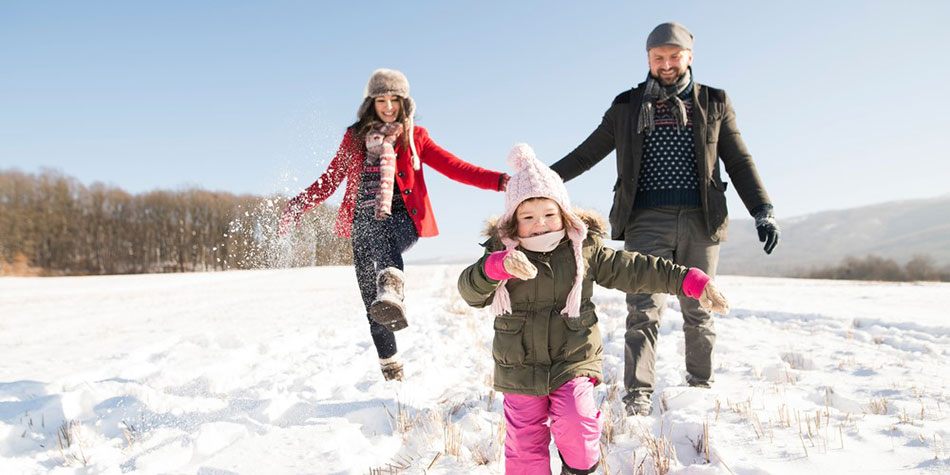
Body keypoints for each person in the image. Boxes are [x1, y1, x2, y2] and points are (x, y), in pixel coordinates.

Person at [549, 22, 781, 416]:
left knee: (700, 305)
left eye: (675, 56)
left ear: (690, 57)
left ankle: (700, 384)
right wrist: (539, 181)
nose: (667, 64)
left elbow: (739, 160)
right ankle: (638, 395)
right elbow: (586, 155)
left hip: (701, 220)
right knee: (643, 307)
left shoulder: (714, 102)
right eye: (659, 58)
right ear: (648, 59)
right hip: (645, 220)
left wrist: (762, 209)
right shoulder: (626, 107)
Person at [458, 144, 729, 474]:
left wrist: (691, 281)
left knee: (577, 421)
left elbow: (636, 268)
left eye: (549, 214)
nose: (540, 224)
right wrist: (495, 267)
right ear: (513, 222)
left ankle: (578, 469)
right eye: (528, 217)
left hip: (573, 356)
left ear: (564, 214)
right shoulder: (501, 252)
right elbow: (470, 291)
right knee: (524, 445)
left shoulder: (583, 248)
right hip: (518, 364)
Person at [279, 68, 508, 381]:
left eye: (394, 100)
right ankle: (391, 368)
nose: (388, 106)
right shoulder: (355, 138)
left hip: (402, 219)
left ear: (404, 103)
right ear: (371, 103)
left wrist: (500, 181)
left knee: (382, 236)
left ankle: (392, 288)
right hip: (360, 222)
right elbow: (332, 178)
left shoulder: (415, 137)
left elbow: (455, 167)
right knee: (373, 303)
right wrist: (298, 205)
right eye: (381, 99)